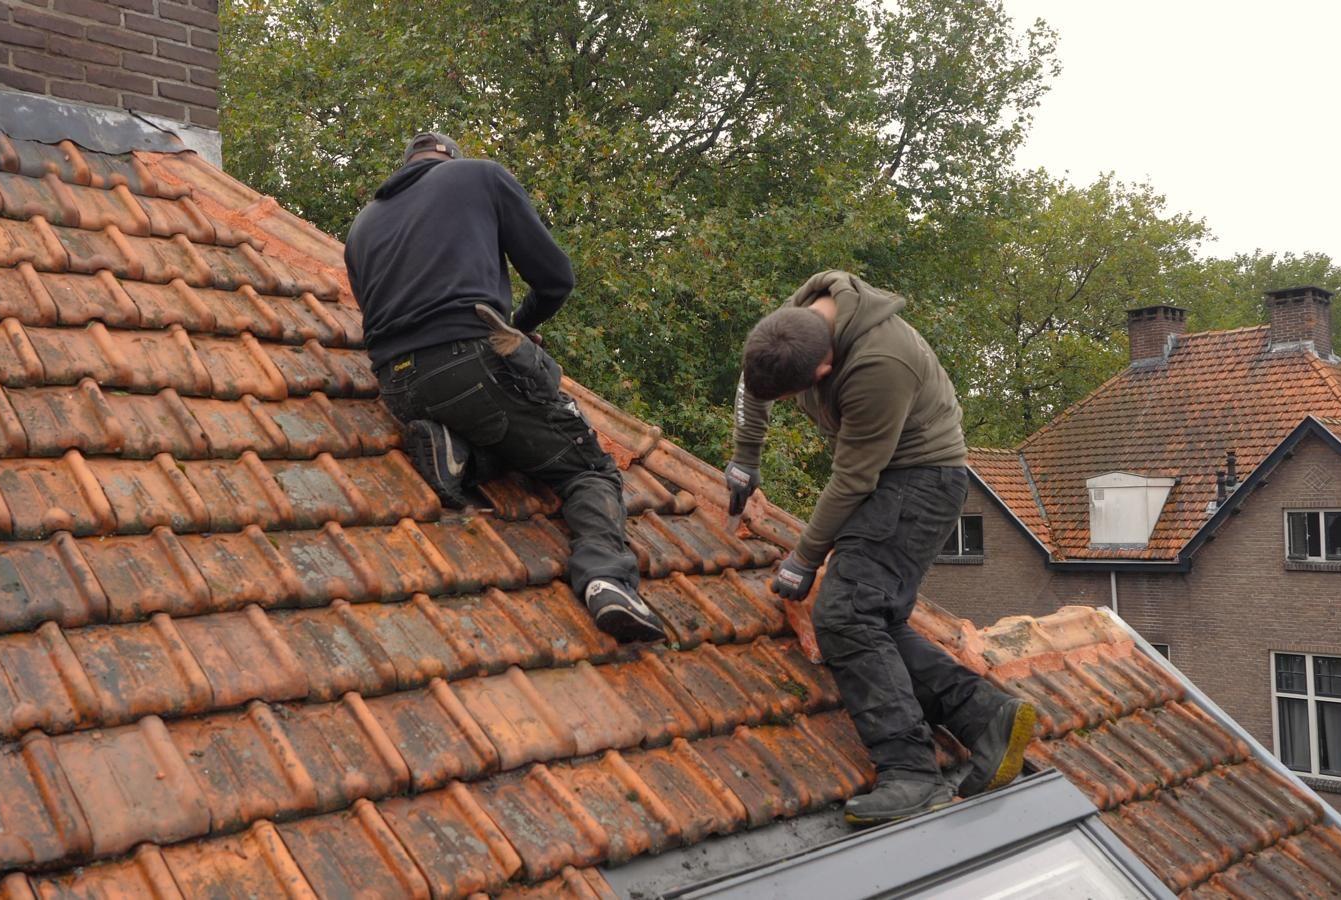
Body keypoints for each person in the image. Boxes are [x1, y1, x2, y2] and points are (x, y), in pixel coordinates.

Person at [726, 270, 1036, 825]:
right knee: (872, 616)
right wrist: (744, 457)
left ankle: (911, 773)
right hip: (889, 477)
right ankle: (983, 717)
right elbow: (753, 386)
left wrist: (804, 558)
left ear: (824, 369)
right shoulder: (789, 327)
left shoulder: (879, 364)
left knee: (844, 612)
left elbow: (853, 479)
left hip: (921, 481)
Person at [344, 132, 665, 643]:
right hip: (471, 363)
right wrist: (518, 324)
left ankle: (463, 454)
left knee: (506, 433)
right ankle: (607, 580)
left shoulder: (361, 226)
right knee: (587, 466)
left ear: (406, 166)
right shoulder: (481, 175)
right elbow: (556, 278)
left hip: (398, 386)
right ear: (451, 159)